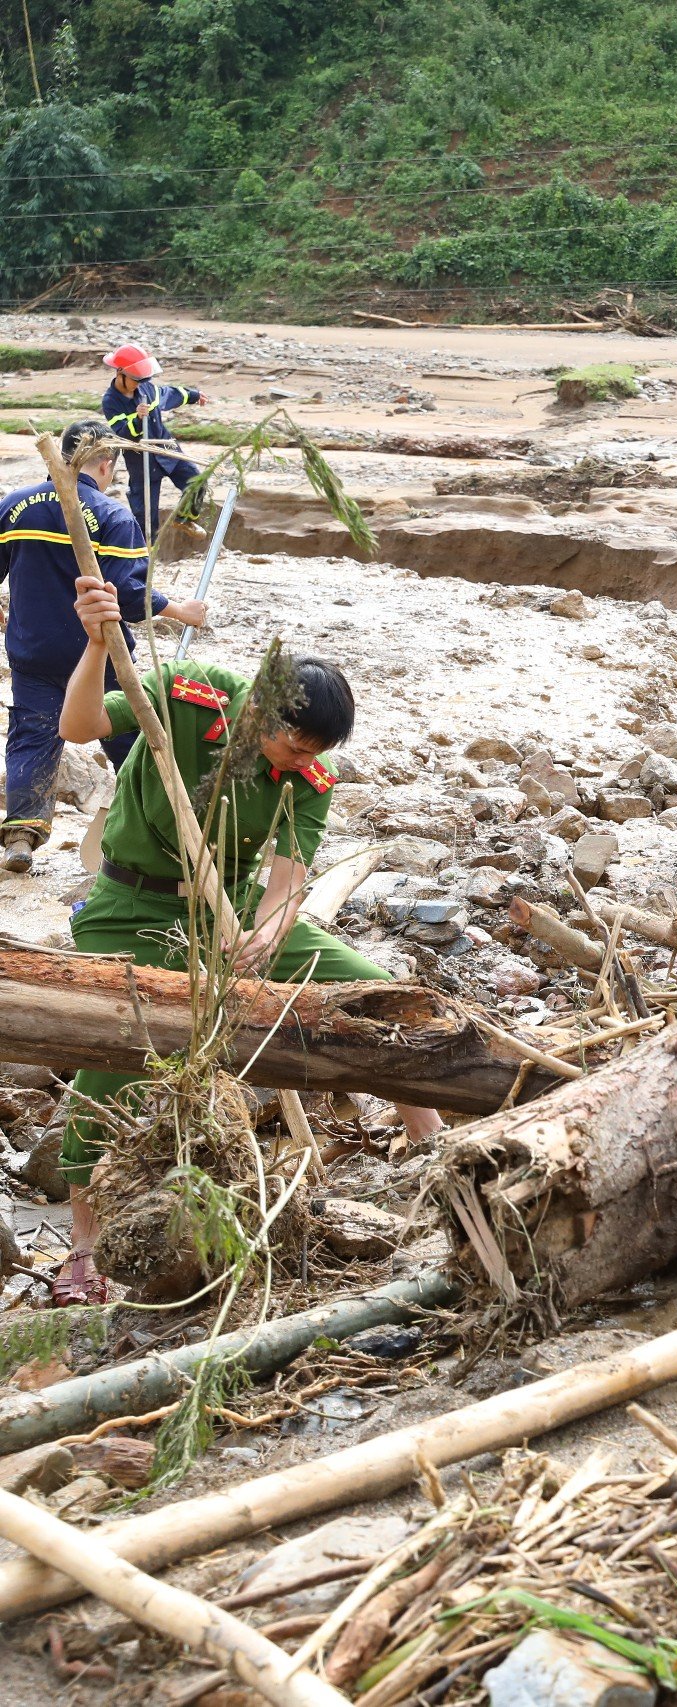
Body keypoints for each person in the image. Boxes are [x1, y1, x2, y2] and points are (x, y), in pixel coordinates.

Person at [47, 573, 443, 1304]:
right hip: (132, 908)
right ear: (262, 704)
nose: (298, 760)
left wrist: (265, 933)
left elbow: (288, 880)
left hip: (228, 914)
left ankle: (438, 1149)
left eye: (312, 750)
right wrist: (99, 643)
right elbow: (75, 727)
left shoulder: (308, 777)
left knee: (381, 995)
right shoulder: (190, 694)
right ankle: (84, 1242)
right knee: (109, 1046)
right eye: (294, 741)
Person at [1, 419, 207, 873]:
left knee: (33, 735)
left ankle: (21, 834)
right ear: (106, 461)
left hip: (32, 650)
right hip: (96, 653)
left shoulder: (14, 507)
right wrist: (178, 609)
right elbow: (128, 595)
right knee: (129, 737)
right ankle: (161, 828)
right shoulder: (114, 517)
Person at [100, 343, 206, 546]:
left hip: (167, 450)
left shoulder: (147, 388)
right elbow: (123, 434)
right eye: (136, 380)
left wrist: (193, 395)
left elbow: (170, 394)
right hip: (142, 463)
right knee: (146, 520)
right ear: (120, 373)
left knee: (197, 481)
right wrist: (138, 419)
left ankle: (185, 520)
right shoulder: (111, 401)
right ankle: (145, 560)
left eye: (143, 380)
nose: (140, 385)